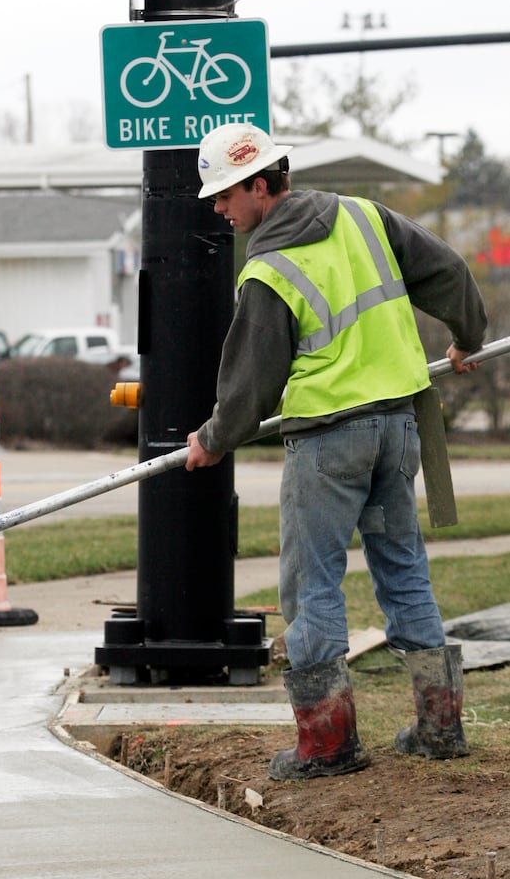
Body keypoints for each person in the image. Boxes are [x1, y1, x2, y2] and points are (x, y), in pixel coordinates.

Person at [185, 123, 488, 782]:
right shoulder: (363, 216)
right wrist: (467, 336)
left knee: (310, 583)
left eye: (224, 195)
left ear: (260, 187)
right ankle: (439, 728)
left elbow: (251, 382)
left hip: (327, 442)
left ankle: (325, 744)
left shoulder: (267, 269)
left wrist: (212, 439)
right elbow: (450, 270)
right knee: (402, 571)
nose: (218, 209)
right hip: (395, 429)